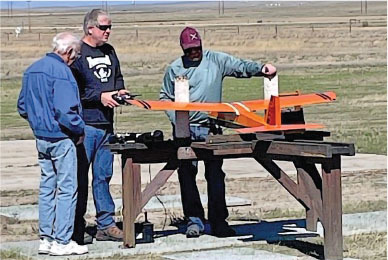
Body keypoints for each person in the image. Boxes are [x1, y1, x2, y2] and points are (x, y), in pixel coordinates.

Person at [160, 27, 276, 238]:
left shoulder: (216, 60)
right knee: (187, 174)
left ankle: (219, 221)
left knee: (215, 174)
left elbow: (240, 66)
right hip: (185, 129)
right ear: (182, 49)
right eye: (189, 50)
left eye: (197, 48)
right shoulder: (174, 68)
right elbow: (164, 98)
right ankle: (194, 220)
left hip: (211, 127)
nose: (194, 53)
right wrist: (177, 121)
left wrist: (261, 69)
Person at [17, 32, 88, 255]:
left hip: (41, 137)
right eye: (74, 56)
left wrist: (38, 122)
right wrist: (79, 129)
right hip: (62, 138)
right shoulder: (62, 73)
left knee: (47, 188)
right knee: (67, 189)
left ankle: (46, 238)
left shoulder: (32, 70)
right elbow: (66, 111)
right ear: (68, 52)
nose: (74, 60)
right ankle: (62, 240)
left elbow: (22, 106)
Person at [71, 9, 129, 244]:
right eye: (104, 27)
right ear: (90, 28)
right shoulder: (77, 53)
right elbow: (75, 90)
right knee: (79, 177)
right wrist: (100, 97)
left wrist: (120, 92)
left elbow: (118, 77)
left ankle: (106, 223)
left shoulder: (110, 51)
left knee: (103, 175)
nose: (108, 31)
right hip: (86, 124)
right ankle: (76, 225)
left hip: (107, 124)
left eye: (110, 27)